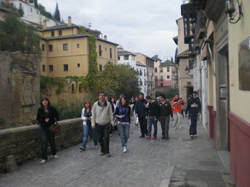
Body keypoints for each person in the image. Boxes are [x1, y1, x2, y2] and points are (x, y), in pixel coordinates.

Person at [36, 97, 59, 164]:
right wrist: (39, 122)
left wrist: (50, 119)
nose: (45, 102)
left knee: (52, 141)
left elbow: (57, 117)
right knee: (44, 142)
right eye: (43, 101)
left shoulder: (52, 109)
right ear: (41, 102)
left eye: (46, 100)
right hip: (43, 128)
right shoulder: (40, 110)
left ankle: (54, 153)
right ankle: (44, 158)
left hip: (51, 127)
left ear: (48, 101)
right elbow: (38, 118)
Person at [91, 92, 115, 157]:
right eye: (100, 95)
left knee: (106, 137)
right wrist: (93, 123)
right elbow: (93, 115)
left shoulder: (108, 104)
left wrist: (112, 122)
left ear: (105, 97)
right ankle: (102, 149)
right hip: (98, 123)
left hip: (106, 123)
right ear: (99, 97)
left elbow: (110, 113)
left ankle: (107, 151)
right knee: (99, 138)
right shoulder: (95, 104)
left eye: (103, 95)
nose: (102, 96)